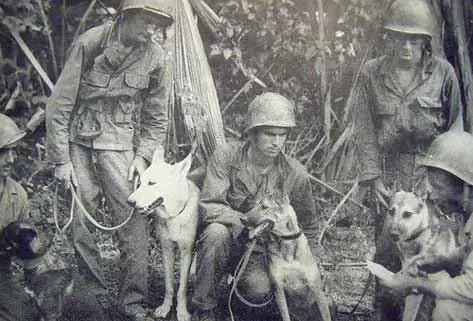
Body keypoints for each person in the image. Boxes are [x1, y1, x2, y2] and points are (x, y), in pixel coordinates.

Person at [45, 1, 173, 319]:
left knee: (135, 215)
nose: (151, 31)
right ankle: (93, 295)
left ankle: (133, 302)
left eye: (157, 25)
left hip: (120, 144)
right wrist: (61, 160)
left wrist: (143, 156)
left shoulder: (157, 57)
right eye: (146, 22)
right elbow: (59, 104)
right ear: (126, 17)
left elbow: (157, 117)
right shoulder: (91, 42)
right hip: (80, 140)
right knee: (81, 215)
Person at [353, 0, 464, 319]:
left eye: (414, 39)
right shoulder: (372, 73)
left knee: (438, 249)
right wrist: (372, 176)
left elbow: (455, 129)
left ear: (426, 41)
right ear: (388, 38)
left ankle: (434, 308)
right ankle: (383, 309)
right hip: (390, 173)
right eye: (399, 38)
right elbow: (364, 129)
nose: (406, 46)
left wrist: (445, 180)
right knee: (389, 244)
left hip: (434, 173)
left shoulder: (443, 73)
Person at [191, 92, 319, 321]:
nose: (276, 142)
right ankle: (205, 307)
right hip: (229, 242)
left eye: (282, 135)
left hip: (265, 252)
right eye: (270, 134)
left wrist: (309, 266)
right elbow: (210, 206)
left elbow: (307, 225)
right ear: (252, 134)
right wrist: (248, 219)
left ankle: (242, 296)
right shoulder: (226, 157)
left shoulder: (295, 173)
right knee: (215, 232)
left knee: (258, 292)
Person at [374, 130, 473, 321]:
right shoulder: (466, 217)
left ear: (466, 187)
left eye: (439, 188)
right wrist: (442, 261)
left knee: (448, 311)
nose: (432, 196)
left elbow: (470, 288)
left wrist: (418, 284)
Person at [0, 114, 40, 320]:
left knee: (22, 314)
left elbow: (29, 253)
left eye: (12, 151)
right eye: (2, 152)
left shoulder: (17, 195)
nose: (11, 159)